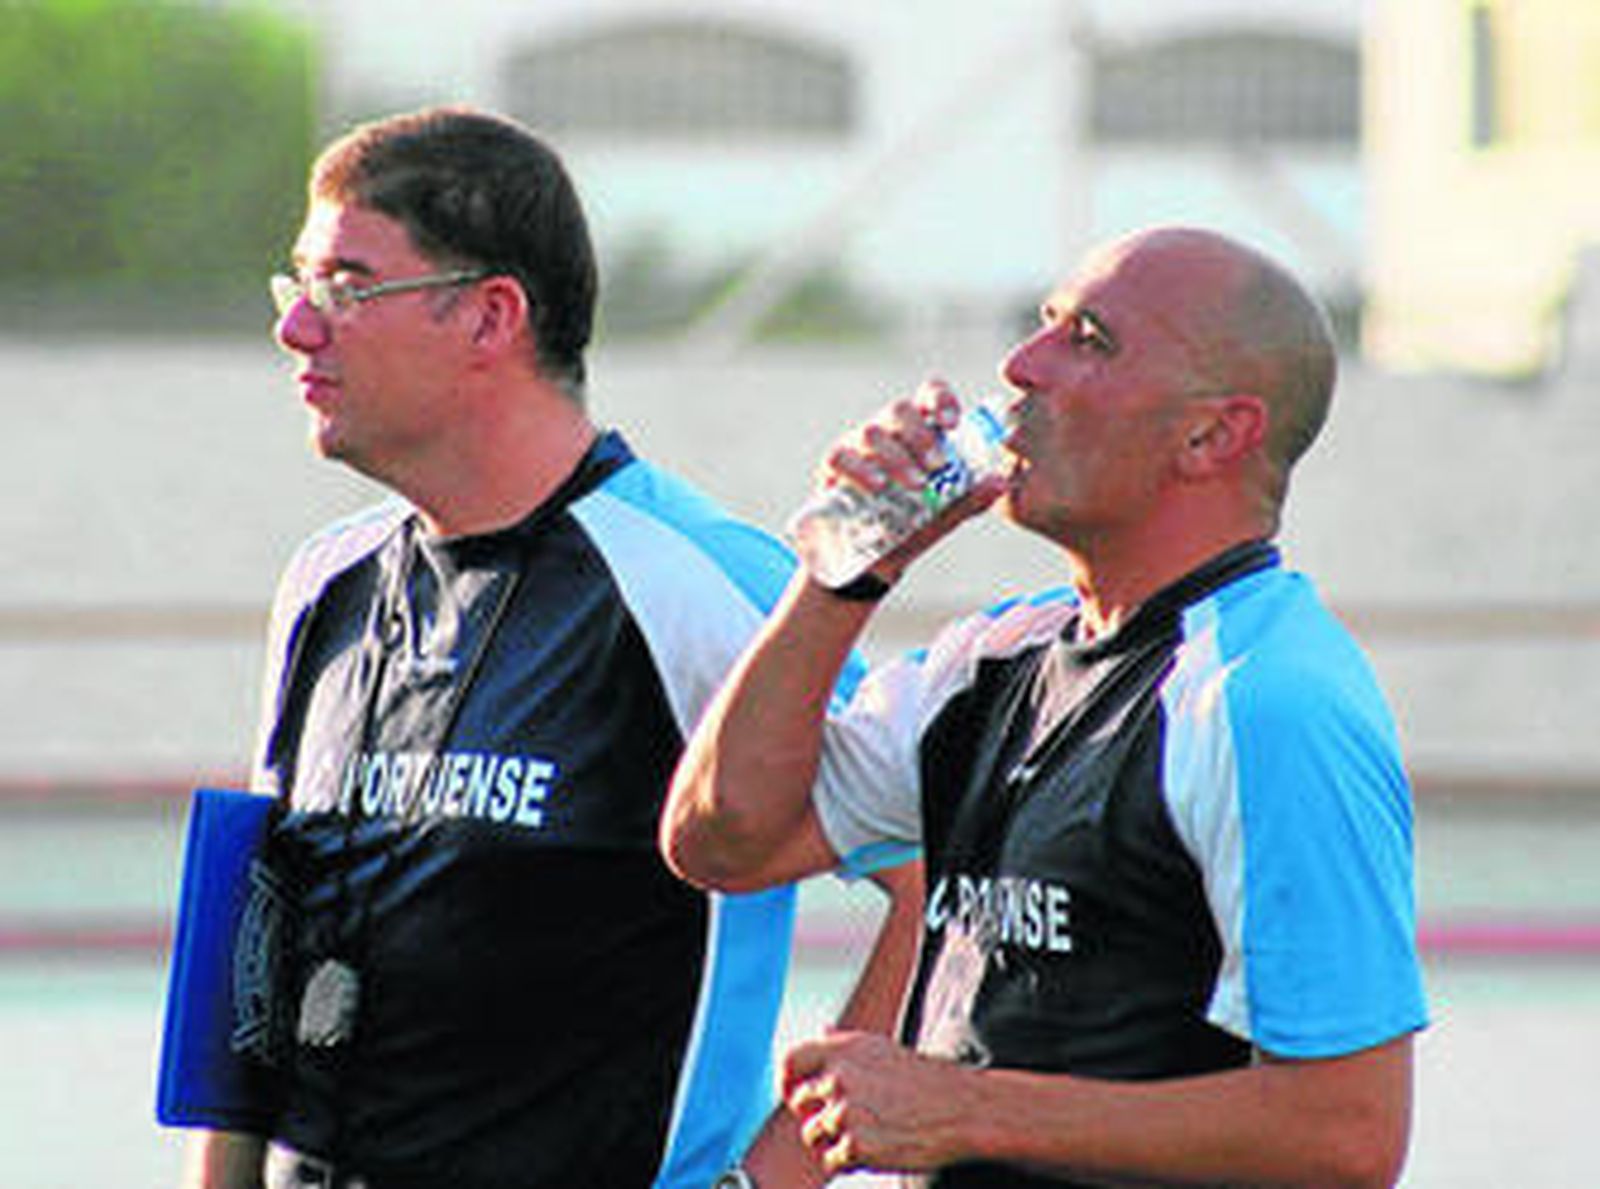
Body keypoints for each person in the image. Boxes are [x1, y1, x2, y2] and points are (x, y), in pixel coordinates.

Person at [178, 105, 922, 1189]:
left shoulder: (702, 583)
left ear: (490, 318)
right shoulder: (324, 583)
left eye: (346, 285)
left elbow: (942, 879)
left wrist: (768, 1180)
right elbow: (261, 946)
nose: (298, 328)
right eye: (298, 286)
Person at [662, 226, 1430, 1187]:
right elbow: (723, 841)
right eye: (1044, 326)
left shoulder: (1269, 700)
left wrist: (963, 1105)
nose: (1023, 368)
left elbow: (1344, 1134)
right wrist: (843, 575)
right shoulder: (996, 659)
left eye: (1091, 341)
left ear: (1212, 434)